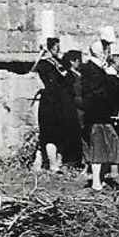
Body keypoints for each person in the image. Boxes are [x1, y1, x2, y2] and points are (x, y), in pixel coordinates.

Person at [77, 51, 119, 191]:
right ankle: (96, 181)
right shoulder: (93, 72)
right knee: (98, 150)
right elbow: (95, 96)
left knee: (109, 145)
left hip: (103, 117)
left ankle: (101, 178)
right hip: (96, 118)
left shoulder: (100, 72)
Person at [33, 43, 82, 172]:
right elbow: (52, 82)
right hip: (50, 103)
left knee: (61, 134)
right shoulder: (44, 65)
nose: (58, 51)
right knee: (50, 135)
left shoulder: (58, 63)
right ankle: (52, 164)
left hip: (61, 104)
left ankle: (59, 163)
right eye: (56, 48)